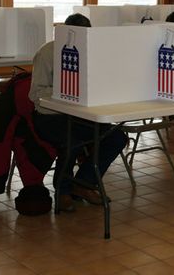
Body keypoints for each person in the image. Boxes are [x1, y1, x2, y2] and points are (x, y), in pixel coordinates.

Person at [29, 13, 128, 212]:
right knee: (72, 140)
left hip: (81, 115)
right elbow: (36, 94)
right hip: (49, 116)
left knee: (116, 138)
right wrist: (66, 91)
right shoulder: (47, 53)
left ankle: (82, 183)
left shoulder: (91, 52)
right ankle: (63, 191)